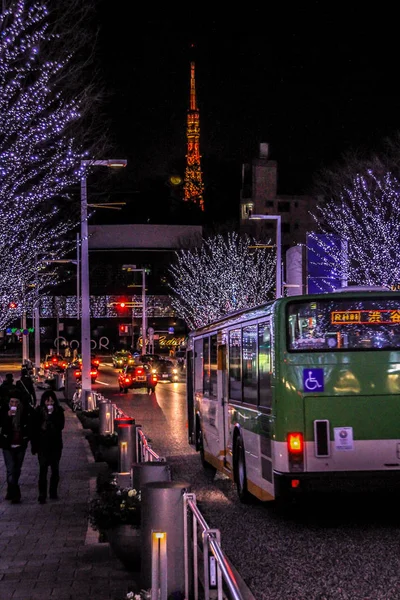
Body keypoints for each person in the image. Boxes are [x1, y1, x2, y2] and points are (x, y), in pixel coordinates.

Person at [31, 389, 65, 504]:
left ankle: (53, 491)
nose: (49, 404)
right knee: (43, 469)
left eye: (51, 402)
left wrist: (52, 418)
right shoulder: (38, 412)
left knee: (55, 469)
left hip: (55, 445)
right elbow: (34, 429)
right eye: (47, 401)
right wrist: (34, 446)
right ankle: (42, 494)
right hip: (43, 445)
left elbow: (61, 426)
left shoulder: (59, 411)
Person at [0, 396, 34, 503]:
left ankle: (11, 490)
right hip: (7, 445)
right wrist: (7, 416)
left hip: (20, 444)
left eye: (16, 402)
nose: (13, 404)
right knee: (10, 469)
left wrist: (26, 438)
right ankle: (16, 494)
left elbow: (29, 425)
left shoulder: (24, 412)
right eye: (11, 402)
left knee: (17, 469)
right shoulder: (4, 411)